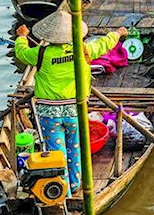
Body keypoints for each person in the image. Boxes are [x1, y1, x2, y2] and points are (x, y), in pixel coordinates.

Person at [15, 13, 126, 196]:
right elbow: (104, 44)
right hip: (75, 110)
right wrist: (118, 33)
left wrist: (22, 37)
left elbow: (21, 53)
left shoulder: (41, 53)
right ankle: (74, 185)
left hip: (49, 114)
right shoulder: (83, 50)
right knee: (75, 148)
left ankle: (63, 191)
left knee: (57, 152)